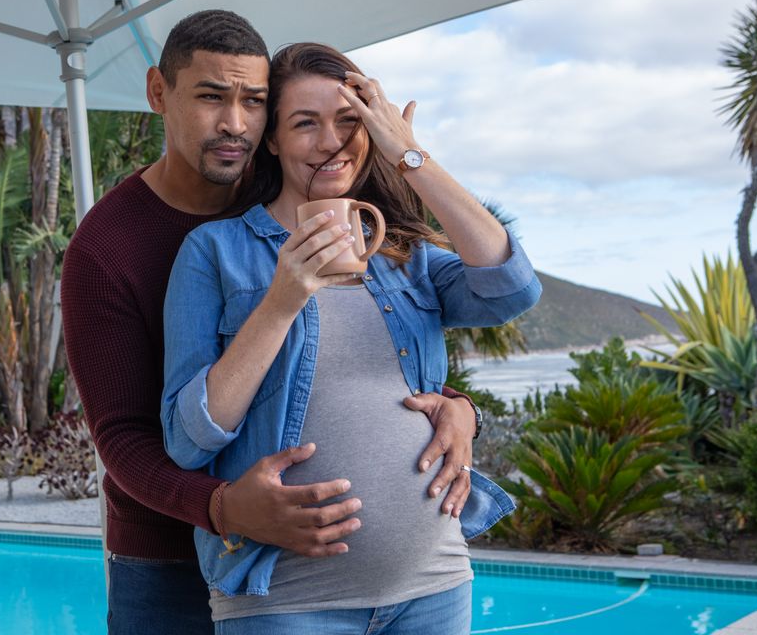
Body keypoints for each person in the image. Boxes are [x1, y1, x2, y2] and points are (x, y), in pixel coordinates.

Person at [61, 14, 483, 634]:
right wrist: (224, 508)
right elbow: (122, 437)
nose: (235, 123)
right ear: (158, 93)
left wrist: (457, 406)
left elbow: (336, 357)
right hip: (167, 559)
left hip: (336, 571)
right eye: (211, 97)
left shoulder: (292, 207)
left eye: (254, 101)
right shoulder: (106, 247)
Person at [161, 42, 541, 634]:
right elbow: (189, 439)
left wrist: (409, 155)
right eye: (304, 123)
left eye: (349, 121)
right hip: (285, 598)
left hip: (434, 585)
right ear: (272, 139)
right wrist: (282, 300)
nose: (331, 142)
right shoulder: (215, 251)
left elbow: (511, 288)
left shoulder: (406, 255)